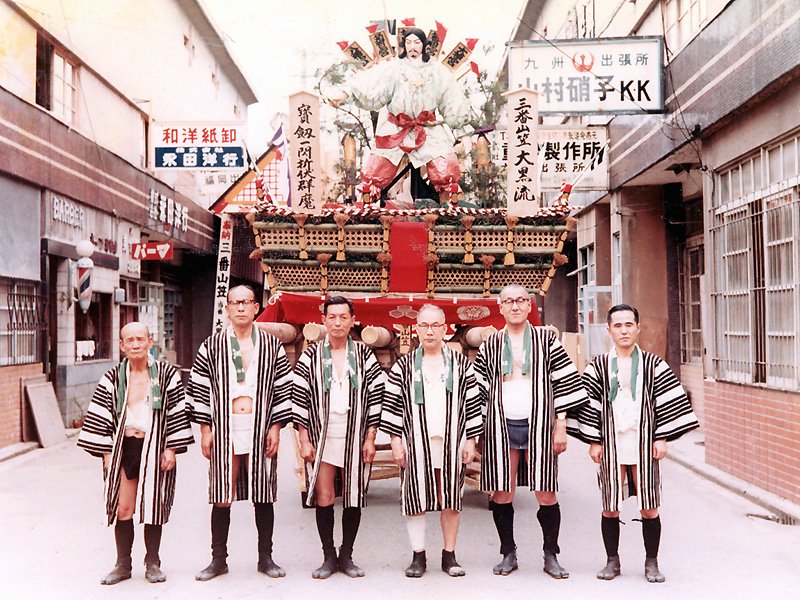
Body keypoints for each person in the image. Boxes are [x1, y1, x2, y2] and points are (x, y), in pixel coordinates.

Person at [576, 304, 699, 583]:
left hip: (643, 441)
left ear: (638, 328)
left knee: (649, 505)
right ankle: (612, 561)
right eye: (618, 326)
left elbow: (668, 401)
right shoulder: (598, 366)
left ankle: (651, 562)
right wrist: (594, 441)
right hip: (612, 441)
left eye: (629, 325)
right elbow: (589, 405)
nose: (624, 330)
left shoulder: (655, 365)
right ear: (609, 330)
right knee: (610, 504)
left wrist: (661, 437)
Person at [474, 284, 587, 579]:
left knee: (546, 491)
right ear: (500, 307)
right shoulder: (490, 344)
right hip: (501, 424)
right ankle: (508, 553)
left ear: (529, 306)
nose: (515, 306)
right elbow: (478, 390)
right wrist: (477, 432)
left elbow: (565, 381)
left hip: (539, 424)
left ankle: (551, 554)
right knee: (502, 490)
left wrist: (560, 425)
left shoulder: (547, 341)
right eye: (509, 301)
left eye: (521, 301)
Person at [187, 284, 294, 581]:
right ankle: (218, 559)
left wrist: (276, 426)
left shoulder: (271, 345)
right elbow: (199, 387)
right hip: (225, 424)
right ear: (228, 308)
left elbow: (283, 387)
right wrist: (205, 428)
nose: (242, 307)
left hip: (260, 424)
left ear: (256, 307)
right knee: (222, 492)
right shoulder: (212, 345)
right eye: (235, 303)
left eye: (247, 302)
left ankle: (266, 557)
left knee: (263, 491)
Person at [77, 322, 193, 585]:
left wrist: (172, 448)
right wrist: (107, 455)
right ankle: (123, 564)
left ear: (150, 342)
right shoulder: (112, 378)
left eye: (140, 339)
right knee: (123, 507)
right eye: (129, 340)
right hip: (123, 446)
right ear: (122, 345)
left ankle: (153, 562)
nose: (136, 344)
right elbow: (101, 418)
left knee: (153, 504)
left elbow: (177, 411)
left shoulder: (166, 375)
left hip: (154, 444)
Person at [381, 304, 483, 578]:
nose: (429, 331)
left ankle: (449, 555)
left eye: (435, 325)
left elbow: (473, 403)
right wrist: (395, 441)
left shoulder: (460, 364)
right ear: (416, 329)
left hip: (451, 440)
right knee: (416, 496)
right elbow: (391, 405)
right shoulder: (404, 366)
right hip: (415, 441)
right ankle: (418, 555)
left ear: (444, 329)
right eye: (424, 325)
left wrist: (471, 440)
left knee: (450, 497)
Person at [293, 296, 385, 579]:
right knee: (325, 495)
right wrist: (304, 439)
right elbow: (300, 396)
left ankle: (347, 555)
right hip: (323, 434)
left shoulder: (364, 355)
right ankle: (328, 556)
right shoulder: (311, 355)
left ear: (353, 321)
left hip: (354, 433)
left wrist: (370, 437)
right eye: (332, 317)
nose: (337, 323)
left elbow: (376, 396)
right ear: (323, 320)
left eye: (343, 317)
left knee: (353, 494)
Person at [332, 27, 472, 204]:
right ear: (404, 45)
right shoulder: (393, 68)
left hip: (427, 128)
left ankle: (449, 211)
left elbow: (452, 99)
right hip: (395, 127)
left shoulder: (437, 71)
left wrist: (463, 131)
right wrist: (345, 93)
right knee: (375, 172)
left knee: (446, 166)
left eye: (417, 42)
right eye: (408, 42)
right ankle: (366, 210)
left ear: (424, 45)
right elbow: (368, 84)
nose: (412, 46)